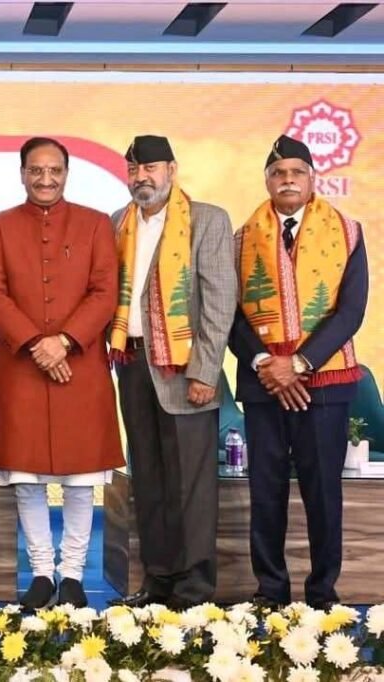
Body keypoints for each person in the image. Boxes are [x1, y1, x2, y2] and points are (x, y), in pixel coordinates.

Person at [0, 137, 123, 609]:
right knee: (27, 477)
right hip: (20, 366)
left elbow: (105, 292)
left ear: (66, 173)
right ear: (22, 173)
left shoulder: (95, 224)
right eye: (36, 170)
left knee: (82, 478)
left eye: (54, 170)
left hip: (80, 363)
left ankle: (74, 575)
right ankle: (42, 573)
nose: (46, 179)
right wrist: (34, 343)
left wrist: (62, 341)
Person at [230, 135, 368, 610]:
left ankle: (322, 594)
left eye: (296, 173)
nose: (287, 180)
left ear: (312, 179)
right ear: (267, 181)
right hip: (264, 383)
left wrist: (300, 364)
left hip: (323, 384)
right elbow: (230, 314)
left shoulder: (348, 231)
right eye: (278, 173)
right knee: (265, 493)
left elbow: (350, 311)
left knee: (323, 493)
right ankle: (270, 591)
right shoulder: (242, 238)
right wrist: (265, 363)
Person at [107, 135, 236, 610]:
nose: (141, 177)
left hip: (185, 368)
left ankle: (194, 589)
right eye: (134, 169)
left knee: (191, 486)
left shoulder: (207, 220)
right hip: (133, 364)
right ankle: (158, 581)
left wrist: (205, 371)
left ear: (172, 170)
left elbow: (220, 301)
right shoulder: (118, 222)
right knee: (148, 479)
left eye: (151, 168)